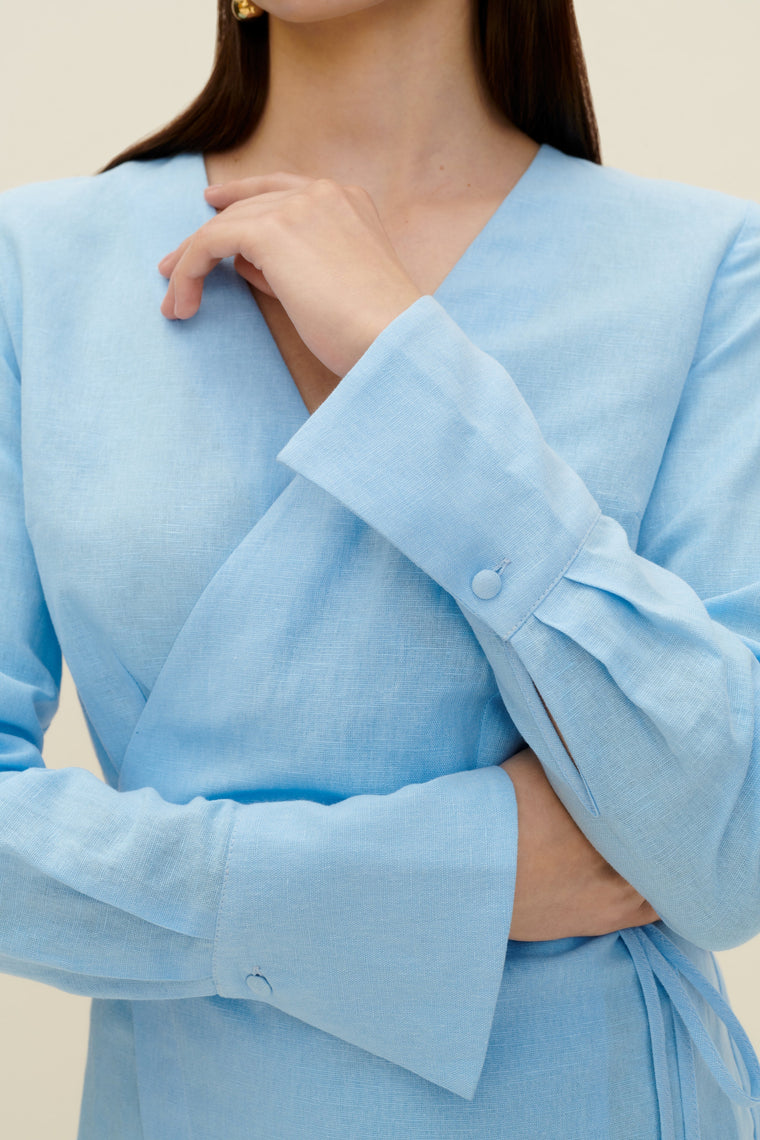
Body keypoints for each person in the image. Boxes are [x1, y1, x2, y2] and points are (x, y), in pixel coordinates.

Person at [2, 0, 760, 1136]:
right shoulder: (38, 268)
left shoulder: (705, 269)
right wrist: (447, 882)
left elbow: (727, 850)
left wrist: (405, 372)